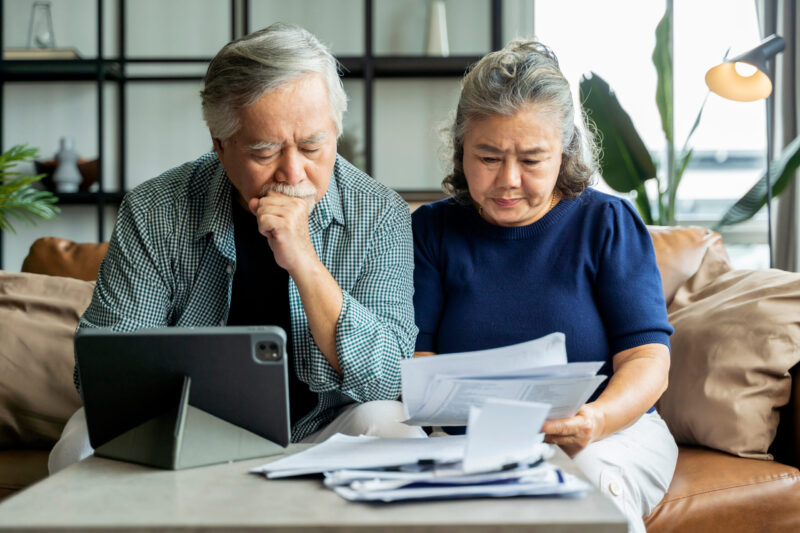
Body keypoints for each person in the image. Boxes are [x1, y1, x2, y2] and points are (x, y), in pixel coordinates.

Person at [49, 23, 424, 474]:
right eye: (265, 152)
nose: (293, 172)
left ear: (335, 130)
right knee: (80, 442)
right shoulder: (155, 209)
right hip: (185, 427)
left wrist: (304, 260)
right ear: (220, 145)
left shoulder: (380, 213)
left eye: (312, 145)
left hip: (327, 428)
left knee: (396, 427)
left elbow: (390, 376)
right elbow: (101, 371)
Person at [412, 40, 677, 533]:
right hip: (467, 441)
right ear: (460, 149)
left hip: (609, 435)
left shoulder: (607, 222)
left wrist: (594, 421)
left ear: (565, 152)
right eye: (488, 157)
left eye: (532, 160)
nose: (508, 181)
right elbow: (420, 363)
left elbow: (648, 360)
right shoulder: (432, 231)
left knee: (579, 485)